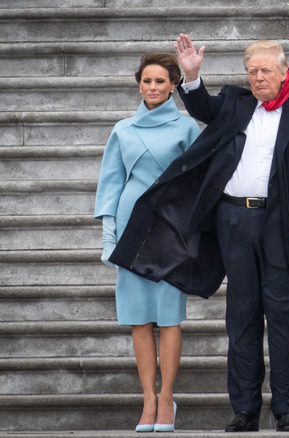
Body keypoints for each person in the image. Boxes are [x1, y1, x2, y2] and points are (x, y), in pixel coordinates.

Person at [109, 29, 289, 433]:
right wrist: (192, 76)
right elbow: (202, 107)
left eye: (265, 70)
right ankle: (245, 410)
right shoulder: (235, 102)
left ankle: (285, 410)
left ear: (285, 73)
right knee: (242, 318)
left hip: (281, 227)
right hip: (233, 221)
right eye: (252, 71)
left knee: (283, 319)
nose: (258, 77)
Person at [94, 52, 201, 433]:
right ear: (138, 84)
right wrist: (109, 234)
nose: (152, 87)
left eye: (160, 81)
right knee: (138, 318)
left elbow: (199, 181)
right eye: (146, 81)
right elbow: (111, 182)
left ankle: (168, 398)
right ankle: (148, 399)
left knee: (169, 318)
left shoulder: (188, 128)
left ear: (173, 84)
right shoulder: (123, 129)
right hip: (132, 228)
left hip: (172, 228)